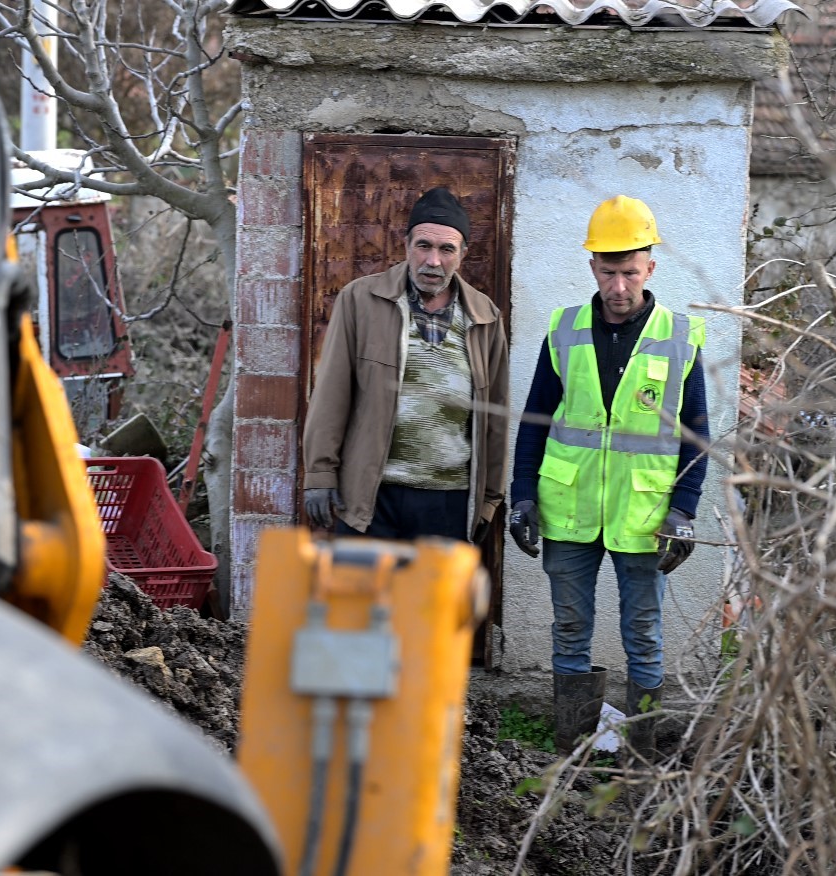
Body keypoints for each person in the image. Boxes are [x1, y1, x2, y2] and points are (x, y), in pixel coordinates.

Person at [508, 195, 709, 759]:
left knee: (643, 639)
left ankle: (639, 762)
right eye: (607, 271)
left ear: (650, 267)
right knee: (570, 631)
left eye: (629, 272)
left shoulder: (680, 336)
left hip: (644, 518)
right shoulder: (564, 329)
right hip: (567, 508)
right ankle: (569, 754)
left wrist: (683, 512)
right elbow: (534, 424)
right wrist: (523, 497)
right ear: (591, 266)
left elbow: (698, 434)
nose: (618, 287)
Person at [302, 187, 509, 546]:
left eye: (447, 249)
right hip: (372, 496)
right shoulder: (361, 299)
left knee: (432, 605)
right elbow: (332, 393)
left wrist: (490, 499)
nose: (433, 261)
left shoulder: (485, 316)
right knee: (363, 602)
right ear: (406, 245)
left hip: (448, 501)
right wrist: (320, 473)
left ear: (463, 254)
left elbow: (496, 418)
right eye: (424, 246)